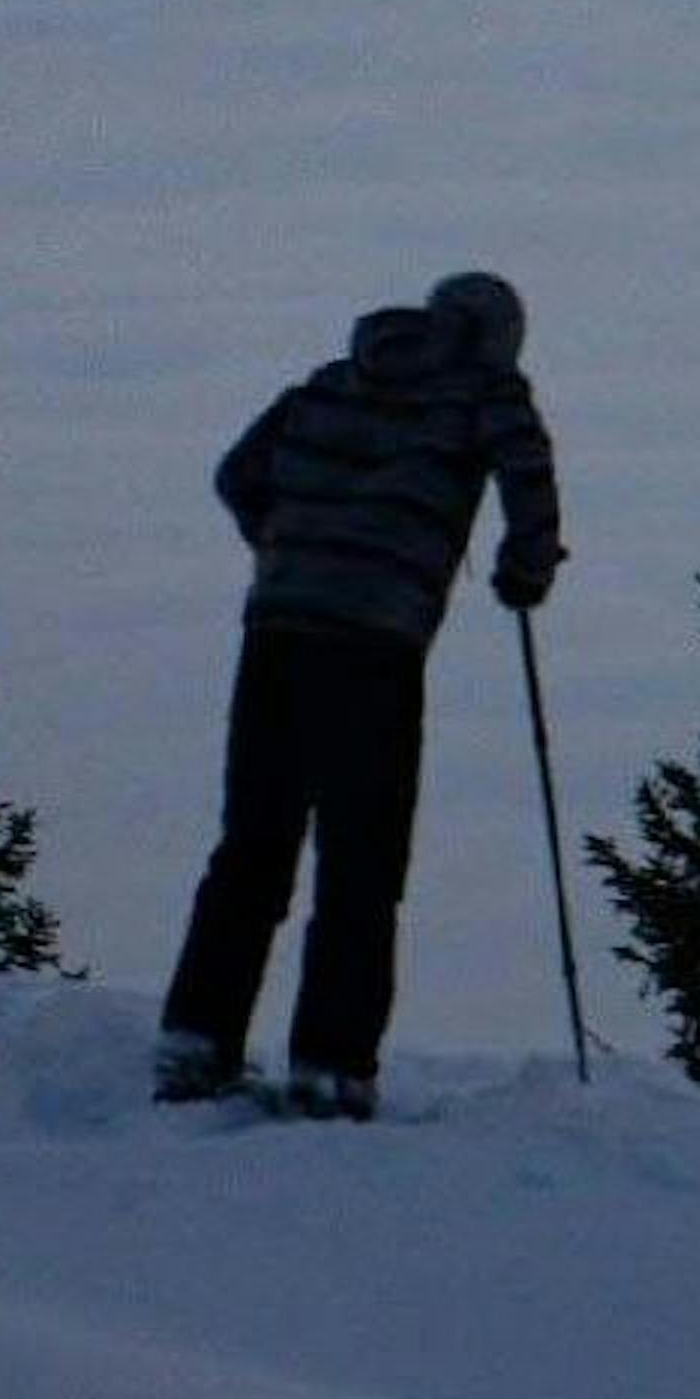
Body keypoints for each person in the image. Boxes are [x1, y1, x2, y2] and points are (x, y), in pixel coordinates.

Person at [155, 271, 563, 1119]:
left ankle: (196, 1041)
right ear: (495, 340)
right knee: (362, 859)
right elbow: (528, 473)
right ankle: (331, 1066)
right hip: (375, 644)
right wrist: (524, 569)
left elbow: (238, 473)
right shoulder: (485, 391)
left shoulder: (335, 379)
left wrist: (292, 545)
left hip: (277, 631)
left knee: (254, 843)